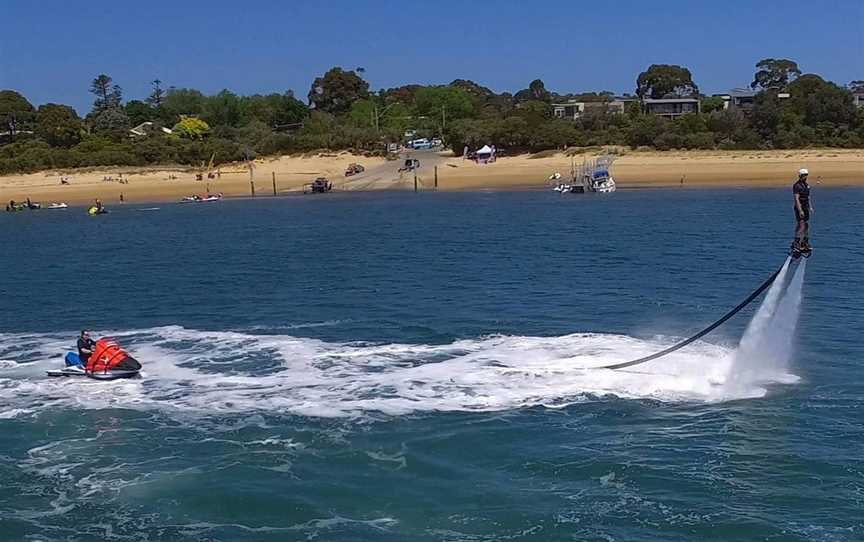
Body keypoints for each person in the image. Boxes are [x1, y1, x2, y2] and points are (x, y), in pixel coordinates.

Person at [792, 168, 813, 253]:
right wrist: (800, 210)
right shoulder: (797, 186)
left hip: (806, 207)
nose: (806, 177)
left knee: (806, 226)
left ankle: (805, 242)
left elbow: (808, 197)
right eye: (804, 175)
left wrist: (810, 207)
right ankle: (796, 243)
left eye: (806, 175)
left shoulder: (807, 185)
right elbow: (796, 199)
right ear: (800, 176)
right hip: (799, 207)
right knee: (801, 225)